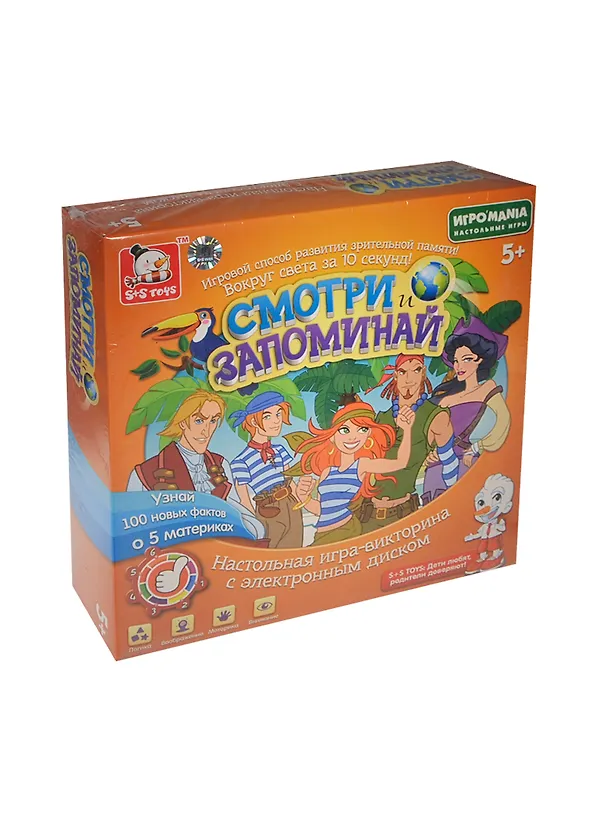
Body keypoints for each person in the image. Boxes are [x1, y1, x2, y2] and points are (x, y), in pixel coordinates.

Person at [126, 390, 264, 540]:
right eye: (199, 421)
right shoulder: (145, 473)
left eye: (213, 421)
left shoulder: (221, 464)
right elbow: (133, 528)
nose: (206, 431)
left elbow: (237, 513)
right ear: (183, 422)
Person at [357, 354, 459, 532]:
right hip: (366, 515)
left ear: (424, 373)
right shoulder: (381, 419)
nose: (409, 379)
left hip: (404, 515)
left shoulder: (436, 417)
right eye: (403, 372)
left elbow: (451, 470)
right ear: (396, 375)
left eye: (416, 370)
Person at [294, 400, 415, 546]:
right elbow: (322, 510)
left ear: (368, 434)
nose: (353, 437)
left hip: (346, 530)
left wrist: (407, 430)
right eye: (345, 430)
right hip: (322, 534)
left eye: (362, 429)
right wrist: (304, 497)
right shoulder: (327, 472)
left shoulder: (361, 465)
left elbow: (400, 463)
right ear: (332, 436)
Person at [422, 317, 511, 505]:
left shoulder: (486, 388)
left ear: (480, 360)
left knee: (460, 508)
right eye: (456, 361)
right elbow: (428, 431)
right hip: (436, 466)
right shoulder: (445, 398)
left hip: (464, 460)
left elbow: (504, 420)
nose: (459, 366)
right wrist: (429, 453)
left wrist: (479, 447)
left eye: (467, 359)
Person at [230, 391, 310, 549]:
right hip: (267, 510)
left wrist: (303, 500)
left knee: (295, 552)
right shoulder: (241, 461)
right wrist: (252, 528)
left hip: (291, 505)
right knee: (272, 555)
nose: (276, 421)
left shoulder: (280, 450)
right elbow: (244, 500)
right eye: (268, 416)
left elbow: (290, 482)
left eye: (278, 414)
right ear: (253, 421)